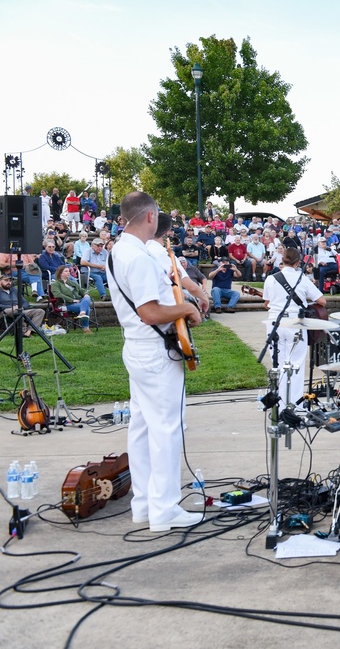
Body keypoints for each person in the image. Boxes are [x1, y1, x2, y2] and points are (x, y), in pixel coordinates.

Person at [107, 191, 203, 532]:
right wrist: (187, 308)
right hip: (154, 351)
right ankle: (164, 509)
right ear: (150, 217)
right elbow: (150, 312)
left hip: (136, 347)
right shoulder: (140, 257)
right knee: (166, 429)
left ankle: (144, 505)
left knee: (142, 427)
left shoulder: (119, 250)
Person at [262, 248, 327, 409]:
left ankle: (281, 405)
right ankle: (295, 406)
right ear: (298, 263)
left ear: (281, 260)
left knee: (278, 364)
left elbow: (266, 304)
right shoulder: (302, 278)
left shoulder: (271, 279)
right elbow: (322, 301)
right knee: (295, 364)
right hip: (295, 324)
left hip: (275, 324)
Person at [0, 270, 45, 336]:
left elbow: (25, 302)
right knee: (17, 311)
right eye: (6, 281)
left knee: (40, 311)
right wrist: (11, 307)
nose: (9, 282)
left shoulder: (14, 290)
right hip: (4, 311)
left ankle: (30, 331)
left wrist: (22, 307)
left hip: (19, 309)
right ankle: (23, 331)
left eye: (10, 281)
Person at [50, 264, 93, 333]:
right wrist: (72, 300)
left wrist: (85, 294)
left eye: (69, 271)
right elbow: (58, 294)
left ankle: (82, 313)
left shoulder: (72, 283)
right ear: (60, 273)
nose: (69, 272)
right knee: (86, 307)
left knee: (87, 298)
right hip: (67, 304)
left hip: (79, 301)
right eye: (66, 271)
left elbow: (81, 290)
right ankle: (86, 328)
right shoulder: (55, 284)